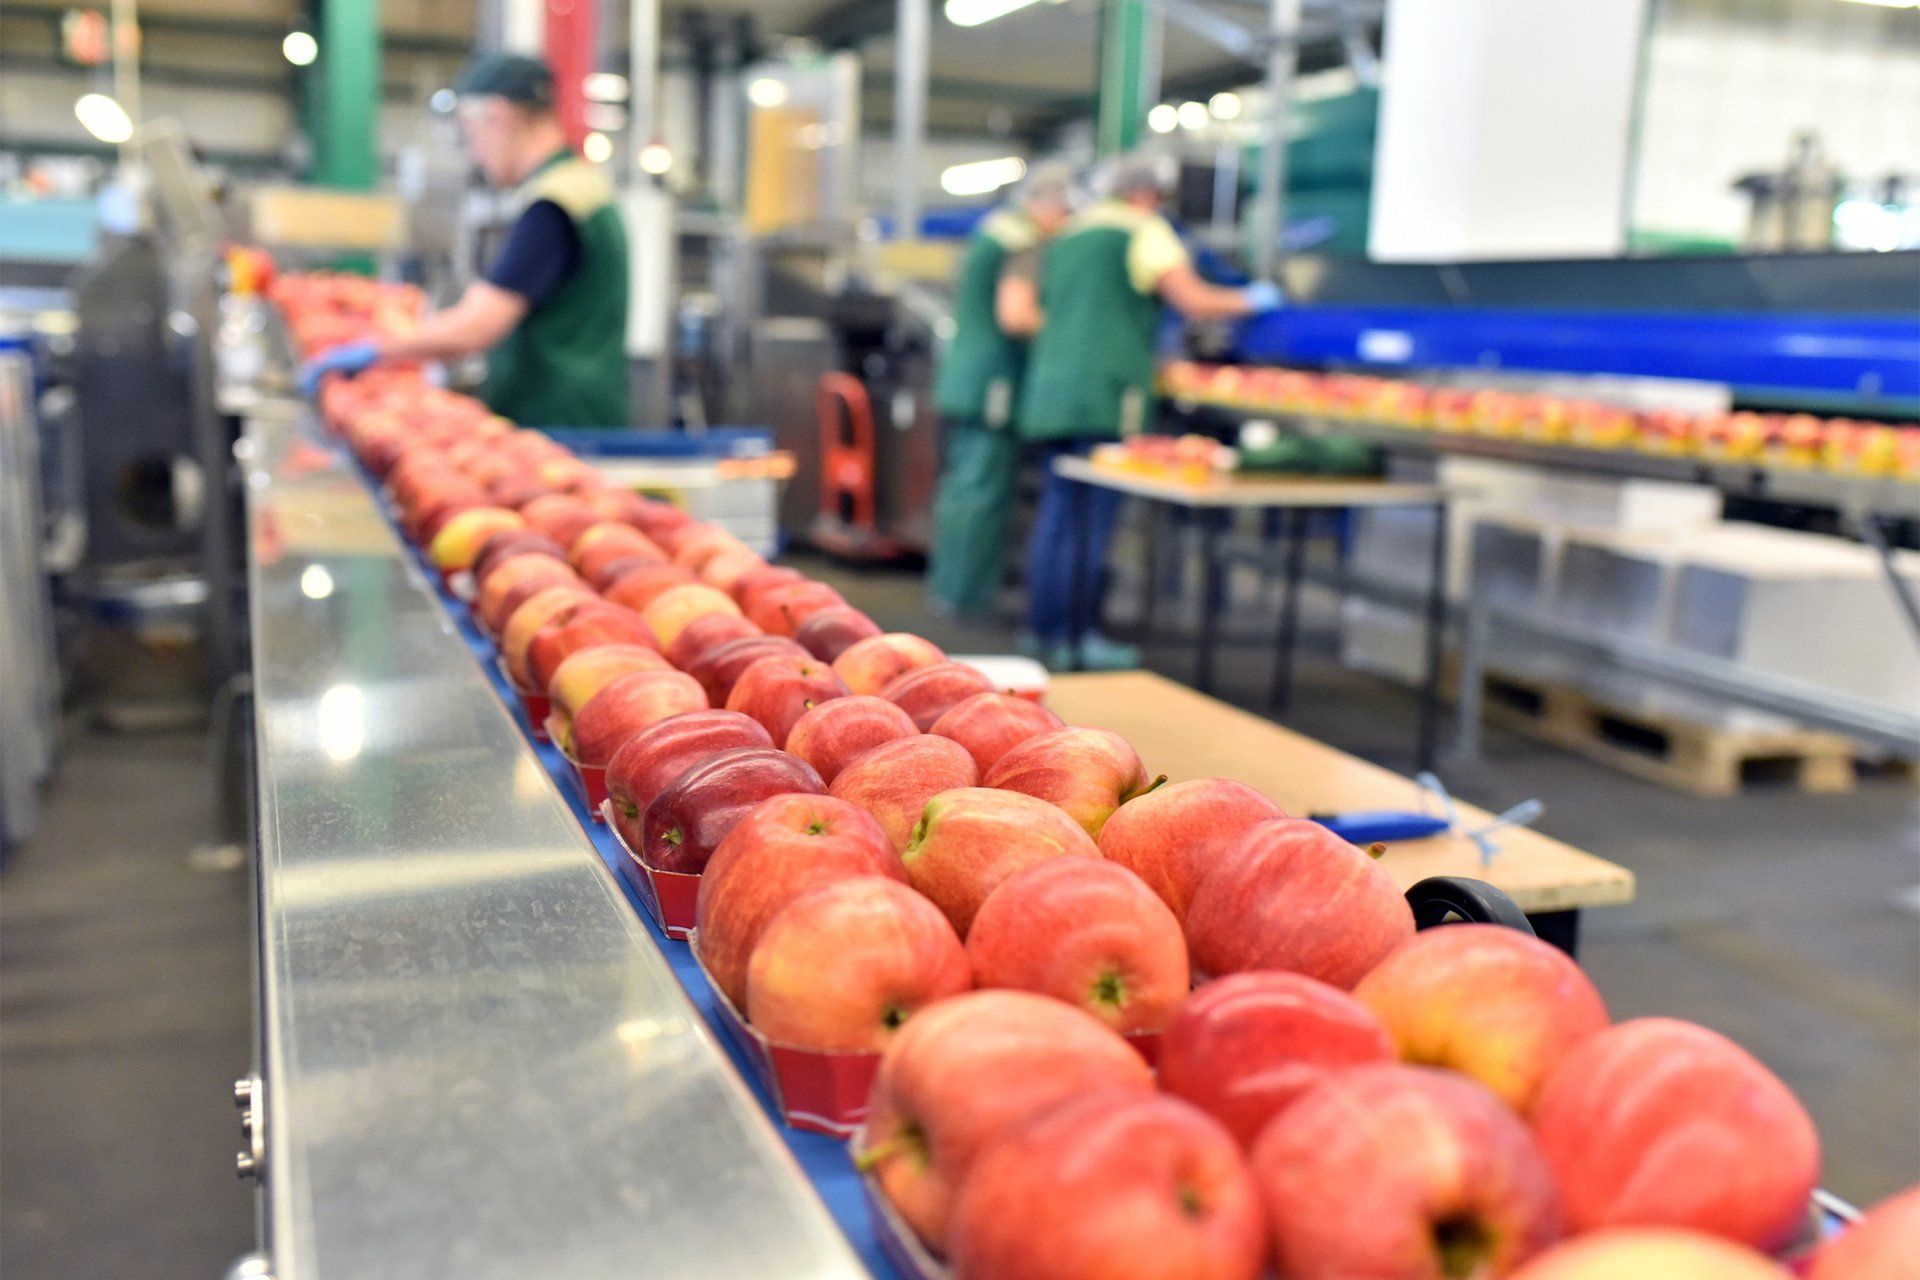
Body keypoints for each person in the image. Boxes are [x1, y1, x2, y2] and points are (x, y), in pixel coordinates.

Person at [1015, 151, 1280, 671]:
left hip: (1051, 388)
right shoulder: (1144, 230)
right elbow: (1193, 299)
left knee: (1058, 513)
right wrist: (1253, 299)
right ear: (1146, 194)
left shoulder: (1069, 234)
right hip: (1106, 392)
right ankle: (1079, 637)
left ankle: (1042, 631)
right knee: (1093, 517)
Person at [301, 53, 631, 429]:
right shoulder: (581, 188)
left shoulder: (553, 206)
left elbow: (476, 327)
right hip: (578, 414)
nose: (475, 152)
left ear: (499, 115)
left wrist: (375, 351)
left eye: (471, 132)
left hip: (560, 422)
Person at [924, 164, 1075, 618]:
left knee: (963, 483)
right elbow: (1017, 315)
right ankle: (966, 594)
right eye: (1064, 211)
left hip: (967, 377)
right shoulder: (1022, 244)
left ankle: (950, 586)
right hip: (995, 382)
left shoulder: (990, 234)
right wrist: (1070, 331)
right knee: (982, 488)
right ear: (1045, 205)